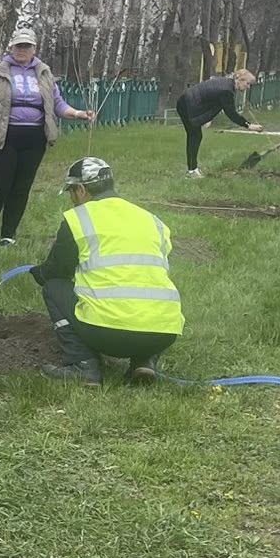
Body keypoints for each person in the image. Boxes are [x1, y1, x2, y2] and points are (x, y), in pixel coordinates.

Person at [31, 156, 183, 386]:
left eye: (72, 193)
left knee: (53, 288)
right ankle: (144, 362)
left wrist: (39, 273)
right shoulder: (153, 221)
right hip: (163, 332)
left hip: (107, 333)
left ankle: (83, 365)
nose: (72, 200)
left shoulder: (79, 219)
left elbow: (57, 271)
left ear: (81, 190)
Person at [0, 27, 96, 247]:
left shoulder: (44, 73)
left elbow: (57, 104)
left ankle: (8, 235)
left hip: (34, 139)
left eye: (26, 46)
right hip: (2, 137)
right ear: (11, 47)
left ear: (34, 49)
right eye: (18, 45)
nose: (22, 50)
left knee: (21, 187)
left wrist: (78, 114)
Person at [174, 67, 259, 176]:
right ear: (240, 79)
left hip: (186, 102)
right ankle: (192, 171)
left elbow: (214, 102)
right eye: (247, 83)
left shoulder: (227, 84)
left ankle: (192, 169)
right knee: (195, 136)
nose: (248, 87)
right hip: (187, 105)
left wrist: (207, 119)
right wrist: (249, 126)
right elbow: (231, 113)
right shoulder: (227, 91)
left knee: (195, 136)